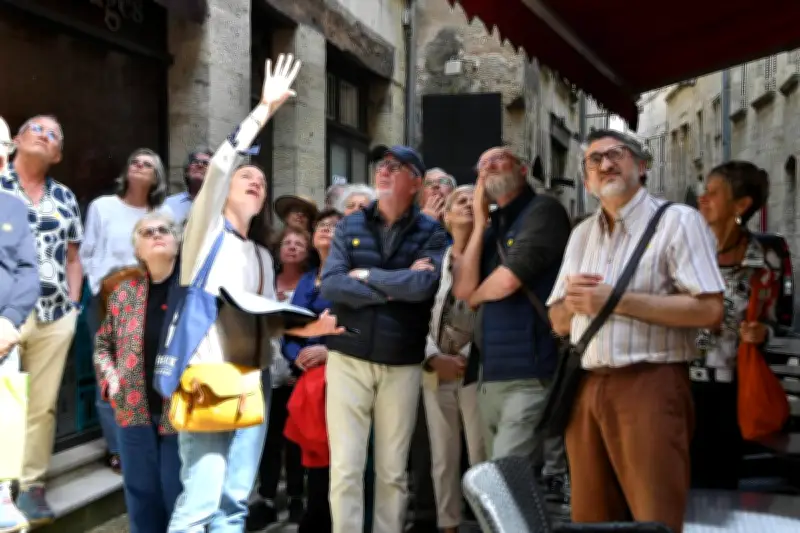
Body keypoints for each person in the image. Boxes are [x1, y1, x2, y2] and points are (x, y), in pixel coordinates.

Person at [165, 54, 343, 533]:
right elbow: (223, 163)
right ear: (221, 193)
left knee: (233, 503)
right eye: (248, 177)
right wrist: (263, 110)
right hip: (206, 371)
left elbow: (268, 317)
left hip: (254, 377)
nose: (256, 183)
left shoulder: (263, 257)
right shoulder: (204, 234)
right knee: (200, 499)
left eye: (262, 183)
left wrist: (313, 326)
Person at [546, 129, 724, 533]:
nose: (605, 164)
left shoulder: (678, 221)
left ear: (642, 167)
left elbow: (711, 310)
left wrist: (616, 300)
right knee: (589, 519)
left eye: (617, 154)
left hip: (650, 383)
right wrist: (573, 304)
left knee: (653, 517)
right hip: (586, 386)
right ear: (587, 179)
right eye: (594, 160)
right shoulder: (581, 234)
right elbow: (557, 320)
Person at [321, 144, 448, 533]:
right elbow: (332, 285)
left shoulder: (432, 232)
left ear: (416, 182)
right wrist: (396, 284)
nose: (384, 171)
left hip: (402, 361)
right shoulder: (349, 225)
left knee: (392, 471)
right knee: (345, 468)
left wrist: (367, 277)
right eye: (382, 164)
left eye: (396, 166)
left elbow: (425, 285)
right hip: (348, 356)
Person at [452, 146, 571, 499]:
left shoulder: (544, 210)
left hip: (531, 372)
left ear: (521, 168)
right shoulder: (492, 226)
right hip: (491, 376)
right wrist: (475, 227)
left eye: (498, 159)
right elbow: (462, 286)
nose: (488, 168)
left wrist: (474, 297)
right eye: (482, 164)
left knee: (502, 480)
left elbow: (507, 280)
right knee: (502, 484)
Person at [0, 115, 84, 525]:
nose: (46, 135)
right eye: (37, 128)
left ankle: (31, 485)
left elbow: (73, 258)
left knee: (41, 405)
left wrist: (73, 304)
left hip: (54, 315)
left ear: (58, 153)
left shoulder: (65, 197)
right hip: (4, 314)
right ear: (15, 140)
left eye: (55, 133)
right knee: (3, 401)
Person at [80, 148, 171, 473]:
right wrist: (98, 288)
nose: (140, 167)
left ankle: (145, 442)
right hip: (108, 296)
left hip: (149, 299)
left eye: (148, 164)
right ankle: (117, 447)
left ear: (156, 175)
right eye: (135, 161)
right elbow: (87, 252)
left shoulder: (162, 214)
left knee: (144, 371)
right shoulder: (103, 207)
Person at [93, 212, 183, 533]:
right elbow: (103, 344)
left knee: (179, 496)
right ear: (138, 250)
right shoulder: (124, 294)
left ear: (177, 242)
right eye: (147, 233)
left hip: (182, 413)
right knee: (141, 497)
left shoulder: (191, 292)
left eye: (164, 230)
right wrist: (112, 383)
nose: (157, 235)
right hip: (134, 411)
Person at [693, 161, 778, 489]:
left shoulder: (762, 260)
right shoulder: (687, 248)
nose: (703, 199)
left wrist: (762, 333)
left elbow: (773, 322)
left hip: (730, 390)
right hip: (676, 384)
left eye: (713, 193)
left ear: (741, 205)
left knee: (717, 488)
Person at [421, 185, 485, 533]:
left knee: (480, 455)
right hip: (435, 371)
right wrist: (432, 357)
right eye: (458, 201)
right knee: (442, 457)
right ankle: (448, 526)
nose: (466, 205)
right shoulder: (434, 262)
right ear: (445, 217)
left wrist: (462, 357)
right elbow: (418, 314)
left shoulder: (491, 258)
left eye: (472, 201)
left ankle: (490, 523)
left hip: (476, 371)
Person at [247, 225, 312, 531]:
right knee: (269, 438)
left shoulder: (312, 282)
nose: (293, 247)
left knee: (296, 438)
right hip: (268, 369)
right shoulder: (266, 281)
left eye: (299, 243)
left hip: (299, 372)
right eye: (287, 242)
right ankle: (268, 498)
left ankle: (298, 496)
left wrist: (296, 364)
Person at [282, 208, 343, 533]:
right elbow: (289, 329)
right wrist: (298, 355)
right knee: (313, 455)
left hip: (340, 376)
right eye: (321, 225)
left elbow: (358, 328)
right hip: (308, 379)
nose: (325, 230)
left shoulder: (350, 275)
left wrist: (327, 351)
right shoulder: (307, 279)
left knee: (335, 457)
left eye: (334, 226)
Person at [0, 116, 40, 533]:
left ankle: (2, 496)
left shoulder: (12, 207)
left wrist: (9, 321)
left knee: (5, 408)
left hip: (2, 334)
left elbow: (29, 271)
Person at [164, 148, 213, 228]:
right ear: (187, 171)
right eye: (195, 162)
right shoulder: (168, 204)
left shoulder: (222, 206)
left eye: (206, 163)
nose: (200, 165)